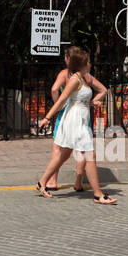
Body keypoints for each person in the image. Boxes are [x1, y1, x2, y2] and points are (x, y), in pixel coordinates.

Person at [36, 47, 117, 204]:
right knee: (89, 154)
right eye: (88, 61)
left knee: (65, 154)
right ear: (81, 64)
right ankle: (98, 194)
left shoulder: (85, 78)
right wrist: (47, 117)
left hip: (81, 118)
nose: (90, 63)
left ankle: (42, 182)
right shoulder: (75, 79)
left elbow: (82, 99)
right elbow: (61, 100)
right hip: (74, 119)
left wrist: (93, 102)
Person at [35, 47, 85, 192]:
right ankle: (78, 182)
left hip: (68, 112)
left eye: (65, 56)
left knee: (58, 146)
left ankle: (52, 181)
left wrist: (60, 105)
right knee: (82, 148)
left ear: (69, 59)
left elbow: (54, 89)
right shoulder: (85, 75)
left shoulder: (65, 74)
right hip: (82, 113)